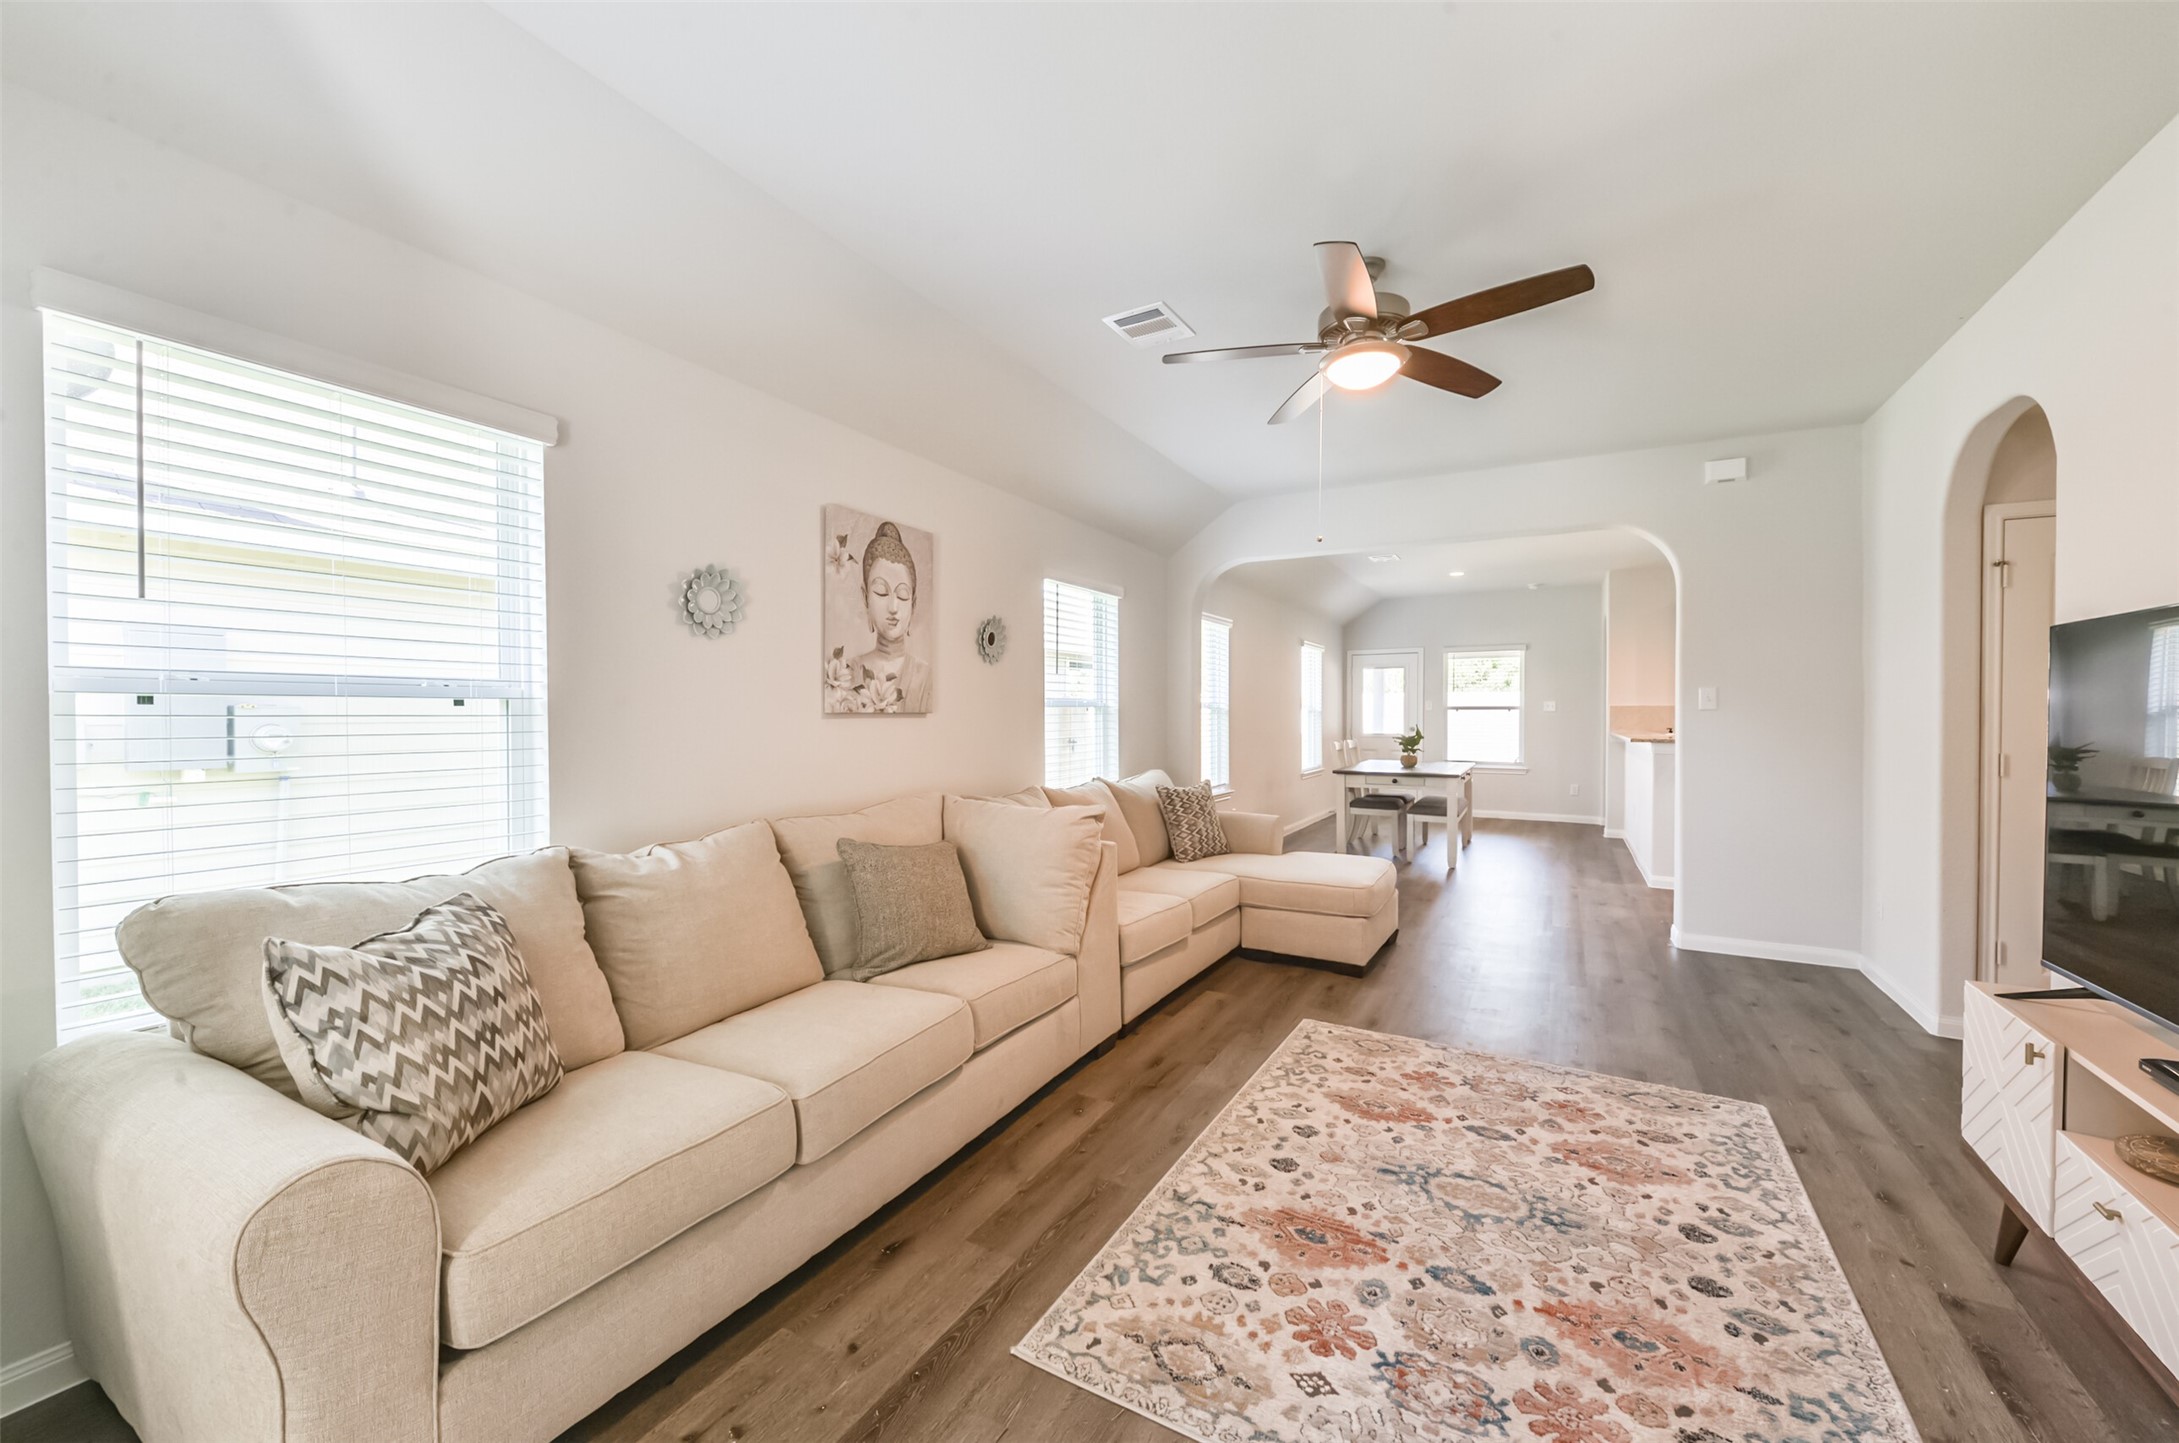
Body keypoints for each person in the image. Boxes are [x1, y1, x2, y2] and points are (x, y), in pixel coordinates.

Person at [844, 521, 932, 712]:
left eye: (902, 595)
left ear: (913, 604)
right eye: (881, 592)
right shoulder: (846, 673)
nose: (893, 607)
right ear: (866, 598)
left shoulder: (925, 677)